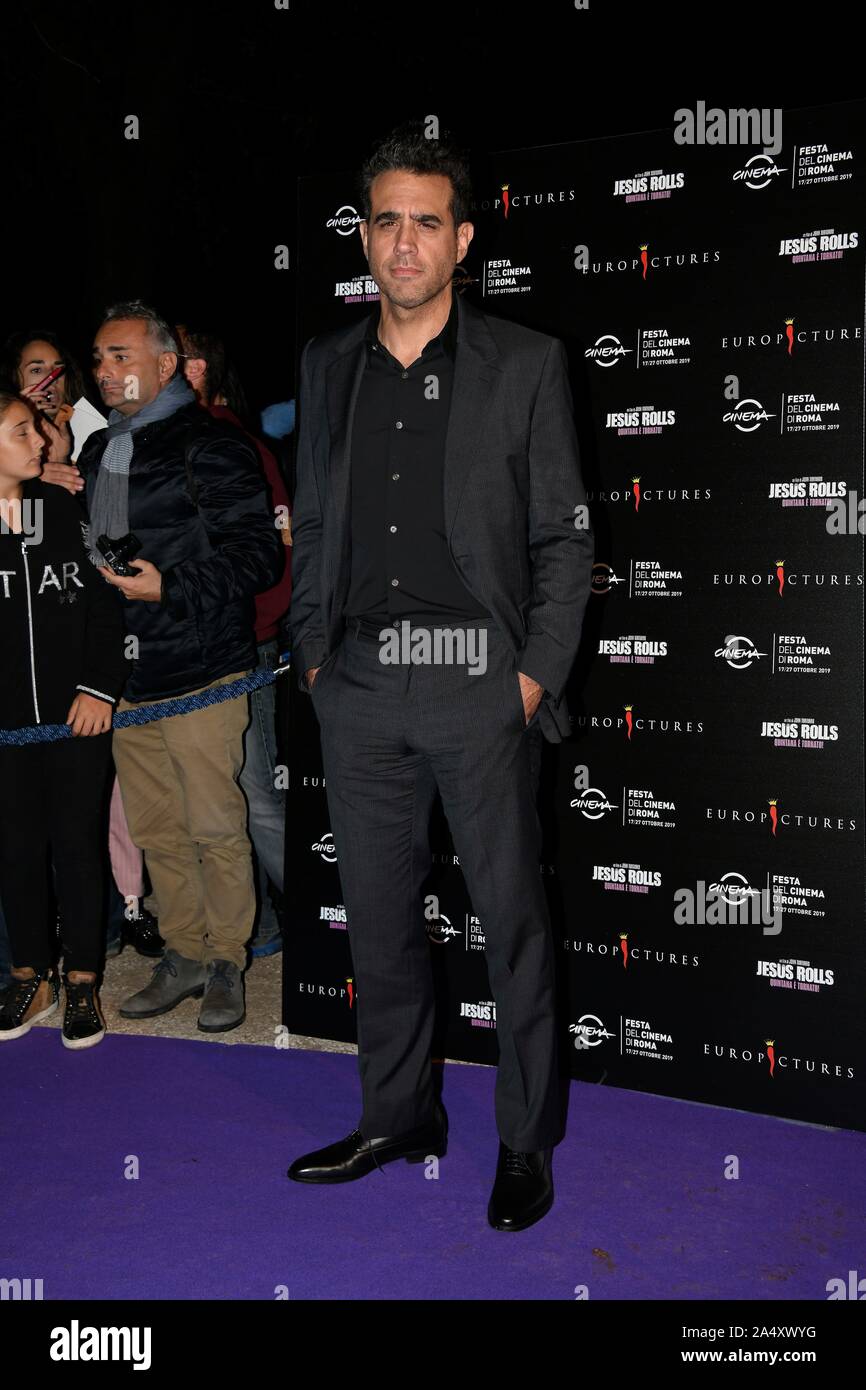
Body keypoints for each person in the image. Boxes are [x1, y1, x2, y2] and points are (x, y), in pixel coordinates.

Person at [287, 125, 594, 1231]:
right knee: (377, 922)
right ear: (362, 236)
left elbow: (563, 541)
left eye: (426, 221)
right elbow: (314, 521)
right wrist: (316, 654)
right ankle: (398, 1112)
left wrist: (526, 678)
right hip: (359, 682)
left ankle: (522, 1140)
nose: (403, 242)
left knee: (508, 919)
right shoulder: (327, 363)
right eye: (385, 220)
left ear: (461, 238)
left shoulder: (524, 362)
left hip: (477, 682)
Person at [45, 300, 282, 1032]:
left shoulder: (211, 445)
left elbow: (259, 555)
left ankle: (224, 962)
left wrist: (169, 585)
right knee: (157, 829)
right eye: (101, 358)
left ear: (167, 364)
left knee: (216, 825)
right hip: (126, 678)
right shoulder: (97, 453)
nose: (106, 371)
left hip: (203, 669)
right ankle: (181, 952)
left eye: (122, 356)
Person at [0, 392, 127, 1047]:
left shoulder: (64, 509)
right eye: (21, 430)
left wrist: (98, 688)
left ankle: (82, 979)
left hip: (77, 718)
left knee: (78, 848)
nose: (42, 440)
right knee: (16, 851)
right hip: (7, 733)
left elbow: (106, 610)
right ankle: (30, 975)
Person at [177, 324, 292, 957]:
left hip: (242, 647)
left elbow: (277, 554)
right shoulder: (146, 446)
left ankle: (335, 923)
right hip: (181, 652)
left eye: (184, 357)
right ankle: (259, 925)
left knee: (253, 793)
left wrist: (255, 630)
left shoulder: (239, 444)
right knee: (207, 801)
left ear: (200, 370)